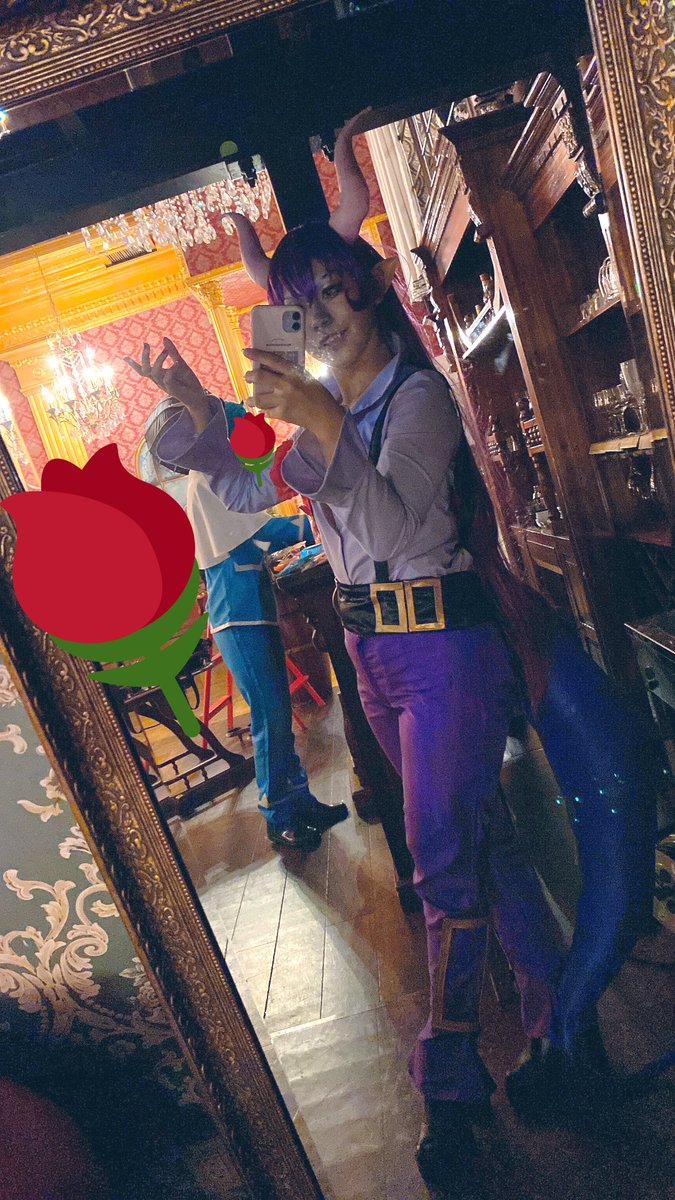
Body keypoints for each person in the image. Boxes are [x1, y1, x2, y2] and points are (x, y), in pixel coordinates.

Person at [135, 114, 667, 1189]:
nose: (318, 319)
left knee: (439, 867)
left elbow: (383, 523)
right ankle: (562, 1035)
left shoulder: (417, 400)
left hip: (448, 653)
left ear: (370, 291)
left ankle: (451, 1088)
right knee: (483, 856)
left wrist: (322, 422)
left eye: (331, 294)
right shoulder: (326, 413)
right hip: (375, 656)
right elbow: (249, 487)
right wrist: (196, 412)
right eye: (300, 306)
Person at [139, 392, 348, 853]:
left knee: (277, 715)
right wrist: (309, 525)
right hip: (239, 617)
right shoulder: (206, 482)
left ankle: (300, 801)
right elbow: (257, 536)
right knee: (271, 717)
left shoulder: (212, 476)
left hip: (251, 612)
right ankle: (278, 816)